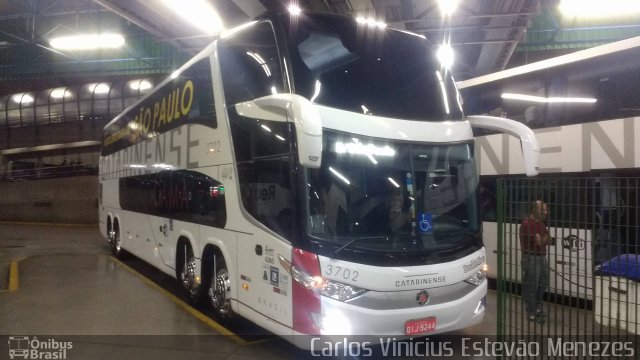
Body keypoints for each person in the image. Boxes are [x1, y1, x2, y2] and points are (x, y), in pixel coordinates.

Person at [519, 200, 552, 324]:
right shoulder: (527, 223)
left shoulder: (541, 225)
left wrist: (543, 239)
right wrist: (544, 239)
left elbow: (549, 240)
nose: (545, 212)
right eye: (542, 209)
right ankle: (531, 311)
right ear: (534, 210)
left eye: (546, 209)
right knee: (531, 285)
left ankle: (537, 308)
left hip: (541, 256)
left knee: (543, 283)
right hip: (531, 257)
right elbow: (540, 241)